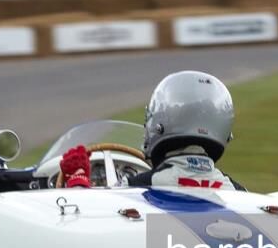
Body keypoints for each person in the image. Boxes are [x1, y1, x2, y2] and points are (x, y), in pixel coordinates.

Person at [59, 71, 245, 191]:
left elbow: (90, 219)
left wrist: (78, 180)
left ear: (159, 122)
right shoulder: (240, 193)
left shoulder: (136, 187)